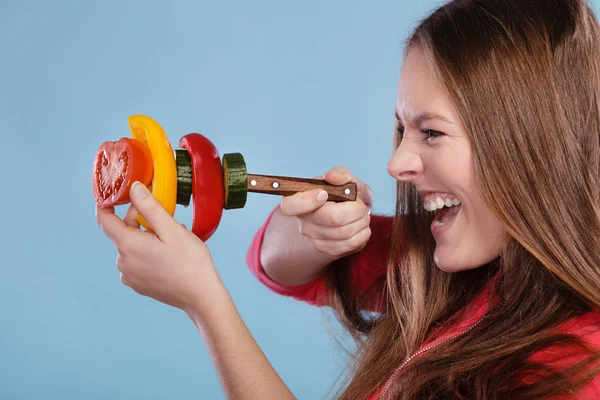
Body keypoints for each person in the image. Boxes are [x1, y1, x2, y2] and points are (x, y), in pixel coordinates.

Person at [96, 0, 600, 398]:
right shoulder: (445, 270)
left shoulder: (577, 368)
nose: (396, 163)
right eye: (401, 127)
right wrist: (315, 235)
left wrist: (205, 305)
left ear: (532, 145)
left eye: (431, 132)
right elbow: (274, 264)